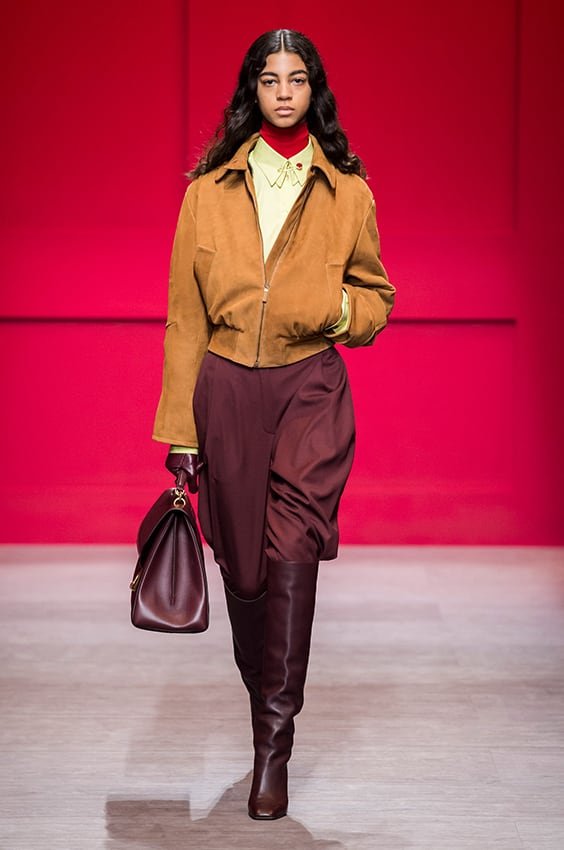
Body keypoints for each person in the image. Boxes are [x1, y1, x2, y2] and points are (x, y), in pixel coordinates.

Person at [152, 28, 396, 820]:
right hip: (225, 389)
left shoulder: (347, 191)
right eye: (269, 79)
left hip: (309, 390)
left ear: (313, 89)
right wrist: (180, 433)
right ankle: (265, 705)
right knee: (245, 574)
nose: (284, 92)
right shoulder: (208, 192)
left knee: (293, 551)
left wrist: (335, 309)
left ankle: (273, 750)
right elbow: (185, 319)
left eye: (296, 79)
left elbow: (377, 298)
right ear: (251, 91)